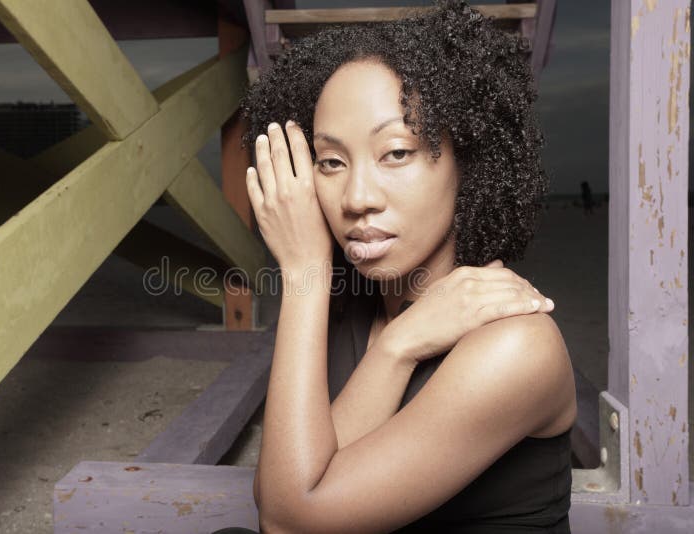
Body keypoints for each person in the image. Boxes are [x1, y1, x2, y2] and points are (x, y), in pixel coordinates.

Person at [215, 1, 577, 532]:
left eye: (397, 153)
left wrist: (305, 276)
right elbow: (293, 485)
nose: (357, 197)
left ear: (469, 158)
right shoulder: (349, 308)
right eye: (331, 162)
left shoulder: (517, 346)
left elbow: (291, 520)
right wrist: (396, 343)